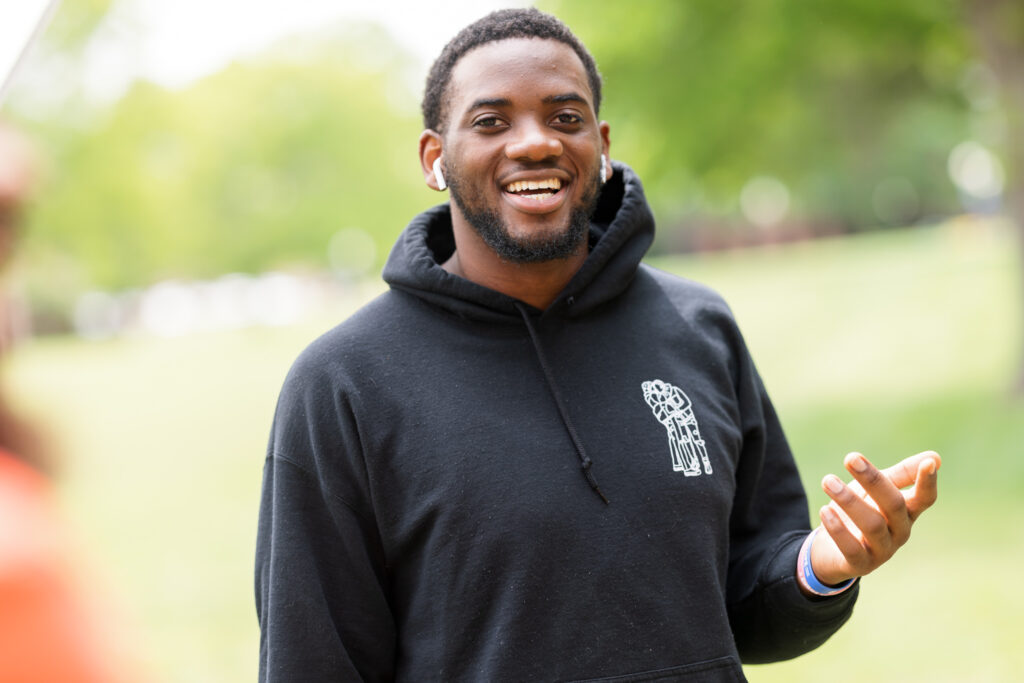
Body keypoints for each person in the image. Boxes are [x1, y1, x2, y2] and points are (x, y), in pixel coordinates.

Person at [255, 9, 940, 682]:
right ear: (436, 157)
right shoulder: (344, 383)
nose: (535, 144)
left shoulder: (698, 327)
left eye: (565, 117)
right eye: (491, 121)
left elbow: (743, 594)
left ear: (601, 143)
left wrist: (824, 563)